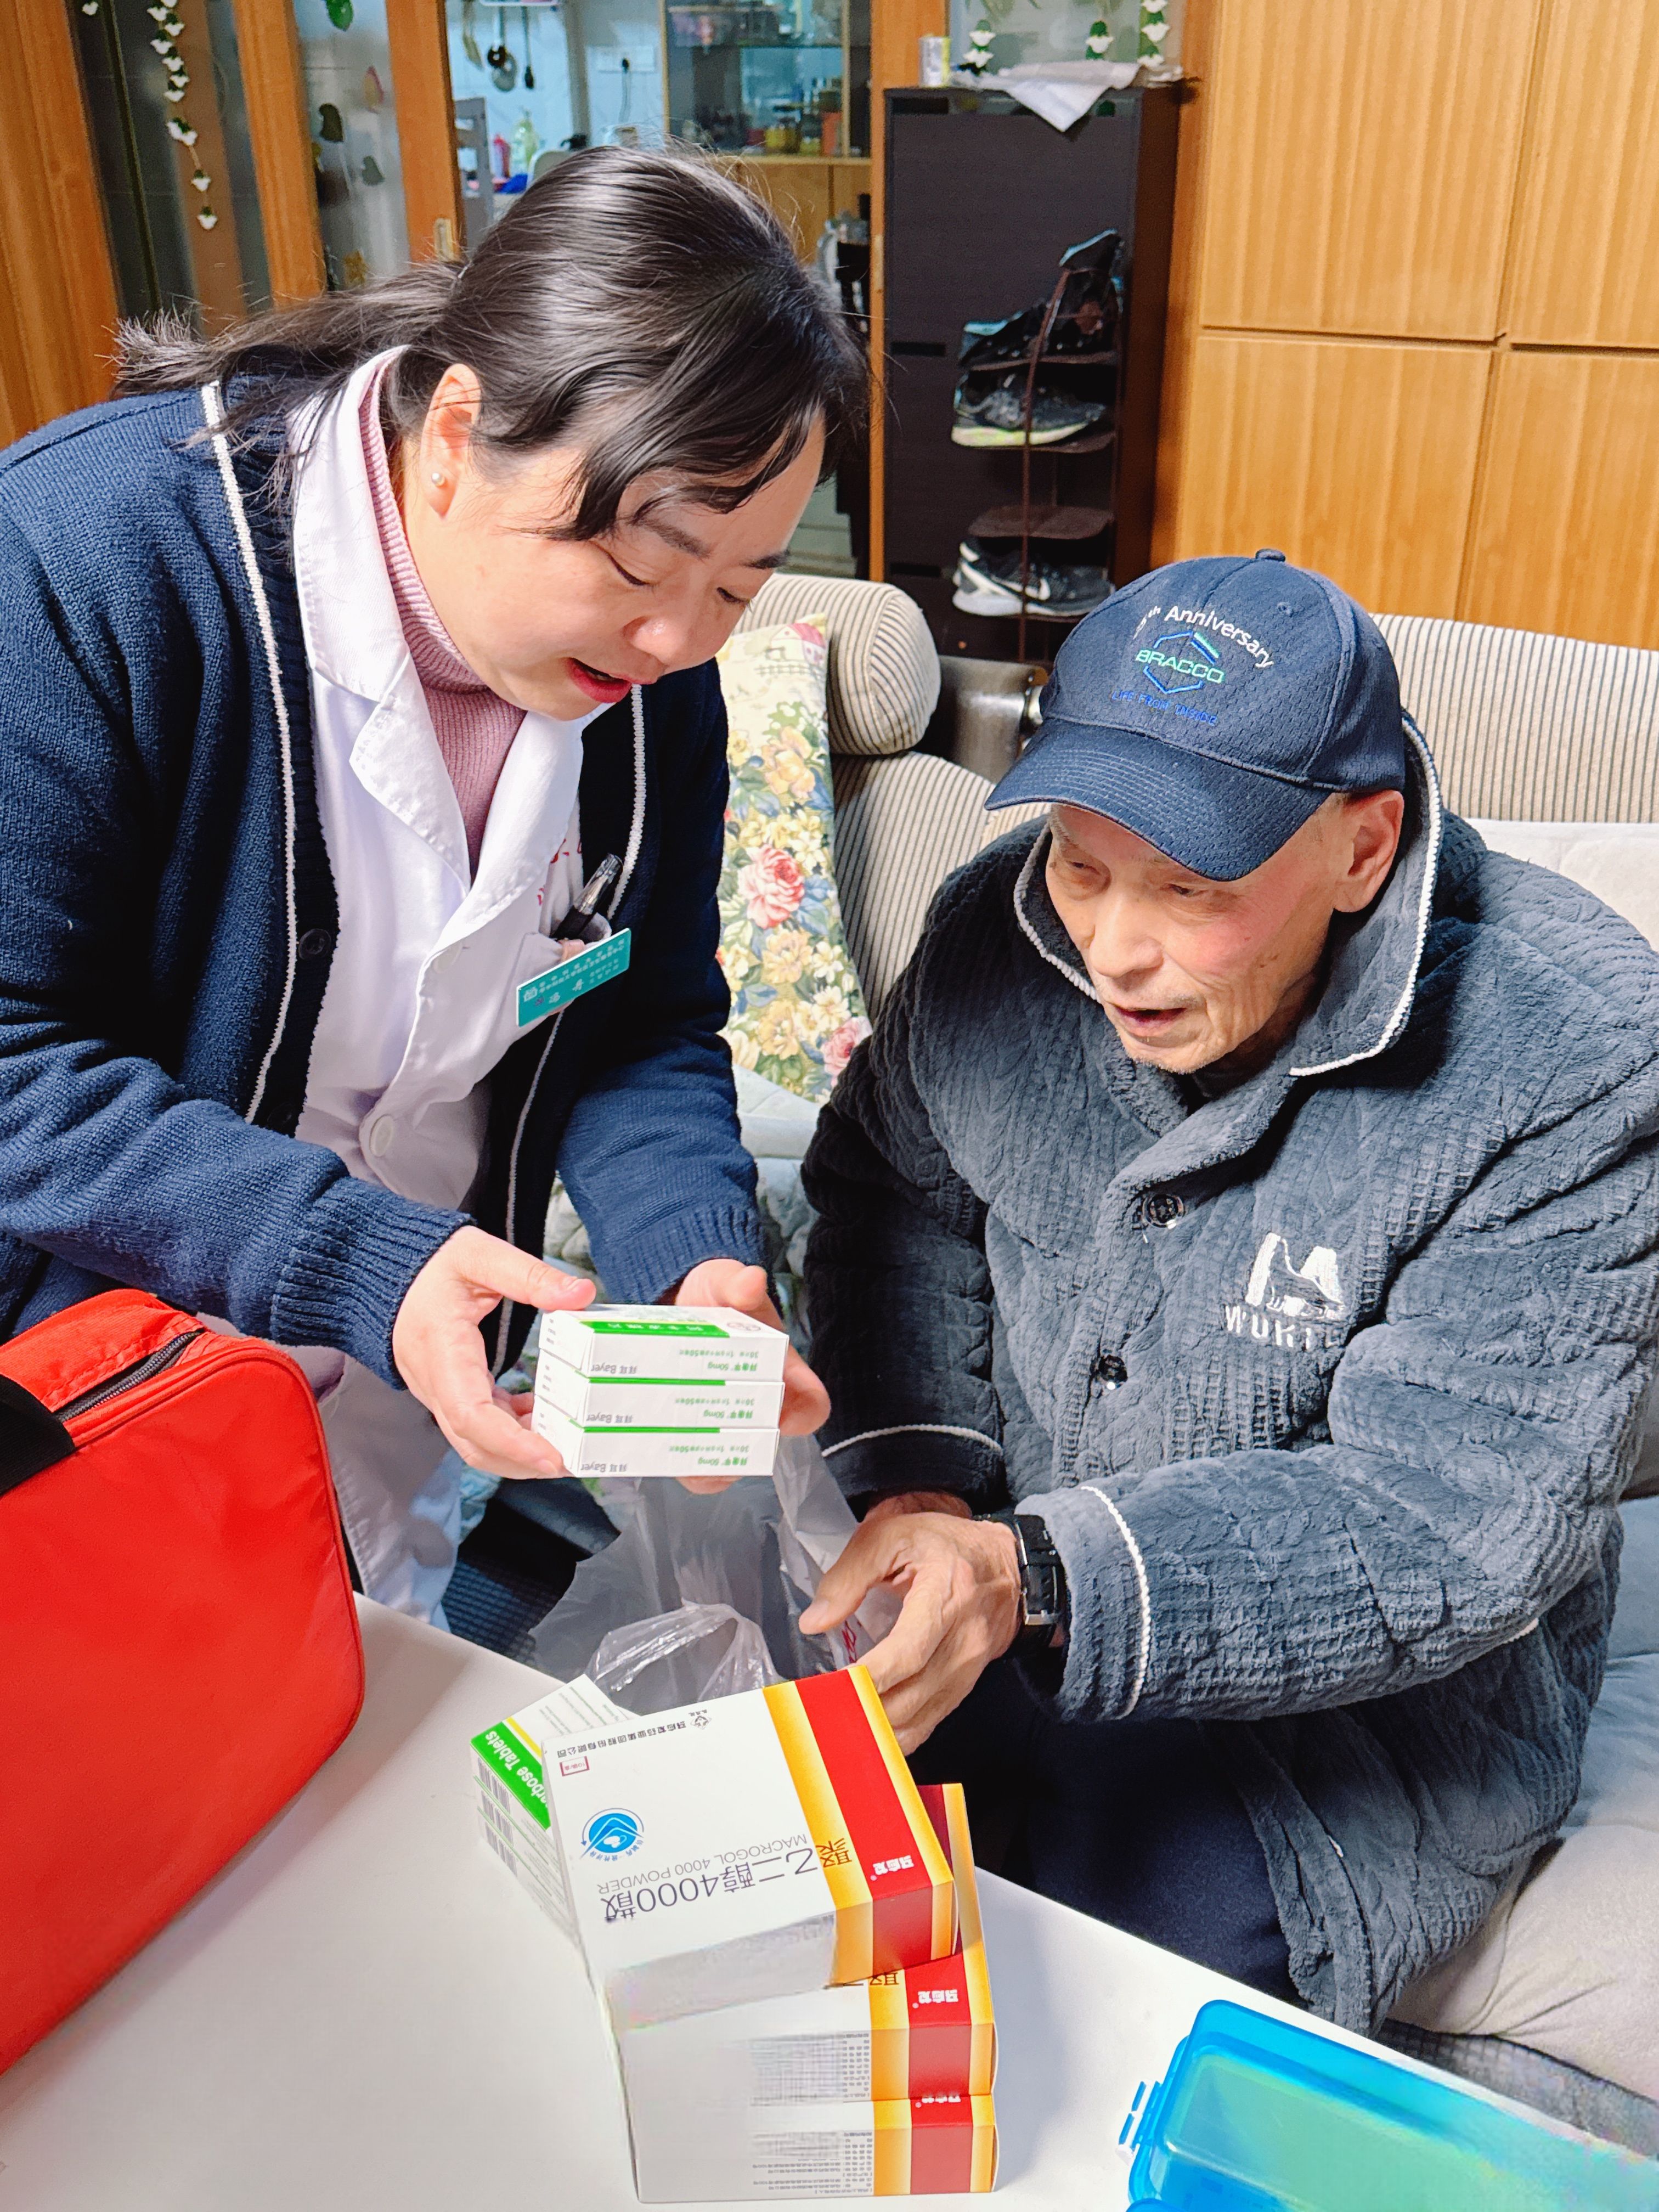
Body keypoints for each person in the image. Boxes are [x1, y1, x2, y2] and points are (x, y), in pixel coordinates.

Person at [798, 552, 1659, 2030]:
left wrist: (1039, 1575)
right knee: (793, 1937)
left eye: (1191, 891)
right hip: (993, 1565)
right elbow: (896, 1201)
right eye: (1082, 864)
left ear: (1364, 847)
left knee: (1091, 2035)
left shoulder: (1573, 1054)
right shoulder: (992, 929)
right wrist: (925, 1480)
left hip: (1337, 1736)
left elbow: (1447, 1517)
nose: (1112, 949)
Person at [0, 149, 855, 1622]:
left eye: (738, 584)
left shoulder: (653, 687)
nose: (677, 640)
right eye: (641, 562)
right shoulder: (84, 563)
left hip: (401, 1411)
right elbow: (14, 1066)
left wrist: (692, 1262)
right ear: (456, 432)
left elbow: (638, 1017)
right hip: (90, 1385)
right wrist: (358, 1259)